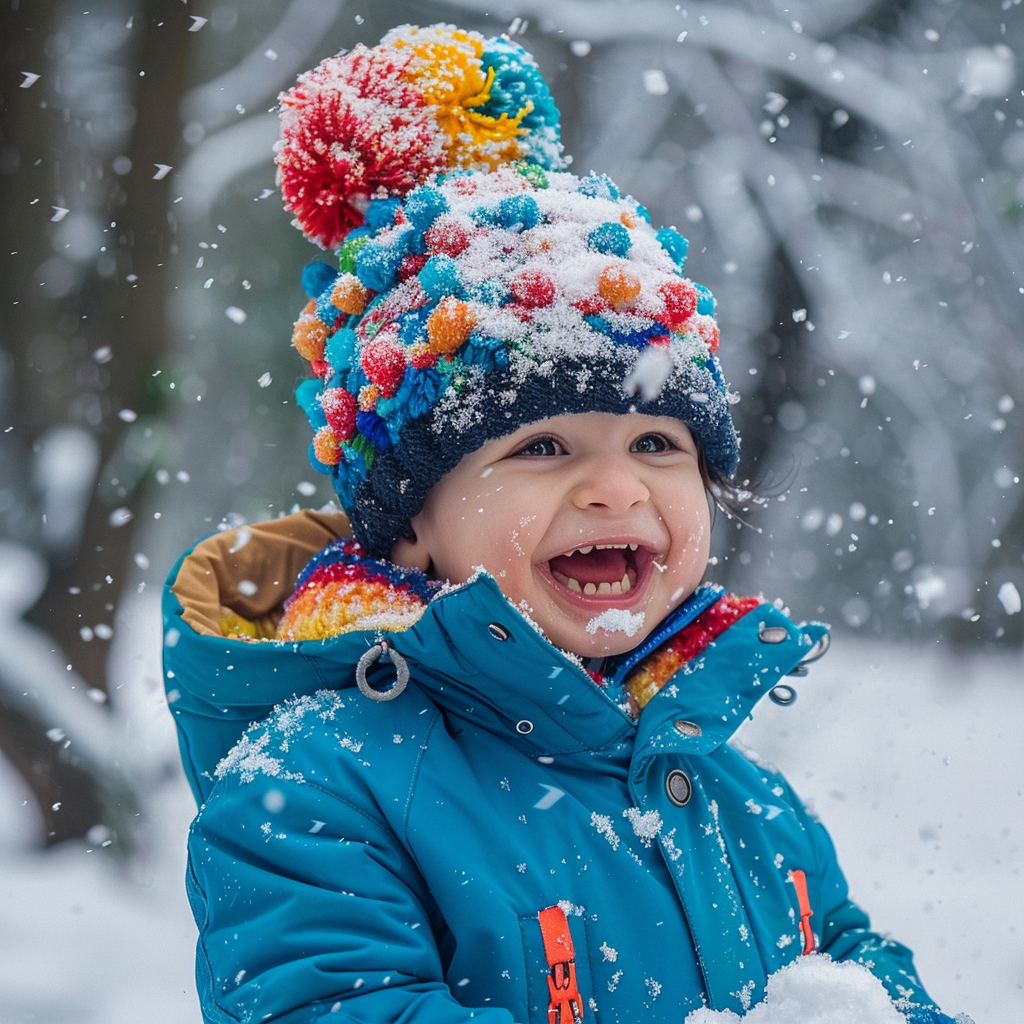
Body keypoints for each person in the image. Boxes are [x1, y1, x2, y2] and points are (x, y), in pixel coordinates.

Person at [163, 25, 962, 1024]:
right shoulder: (318, 784)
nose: (615, 490)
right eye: (542, 448)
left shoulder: (736, 793)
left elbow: (860, 972)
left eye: (658, 445)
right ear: (409, 525)